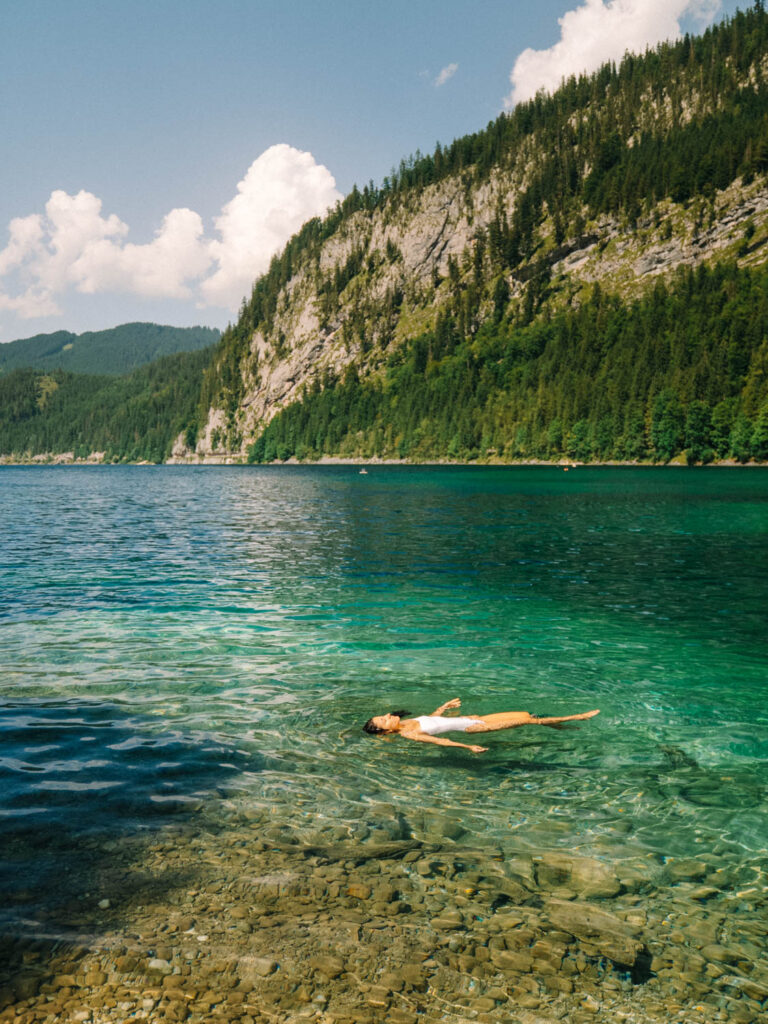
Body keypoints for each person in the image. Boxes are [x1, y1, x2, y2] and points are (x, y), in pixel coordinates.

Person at [362, 698, 600, 753]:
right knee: (529, 720)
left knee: (526, 713)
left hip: (475, 717)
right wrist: (469, 747)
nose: (387, 715)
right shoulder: (410, 734)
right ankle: (578, 717)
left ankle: (557, 726)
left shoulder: (409, 722)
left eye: (383, 715)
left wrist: (444, 707)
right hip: (474, 728)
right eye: (383, 720)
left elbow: (434, 720)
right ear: (385, 731)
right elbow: (440, 740)